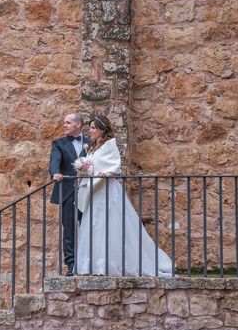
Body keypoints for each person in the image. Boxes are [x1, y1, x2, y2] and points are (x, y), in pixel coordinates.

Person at [76, 115, 173, 276]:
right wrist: (84, 167)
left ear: (101, 129)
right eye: (90, 128)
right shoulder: (92, 148)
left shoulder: (109, 145)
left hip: (107, 191)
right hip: (95, 192)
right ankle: (94, 264)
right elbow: (93, 167)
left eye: (93, 128)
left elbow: (114, 167)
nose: (90, 131)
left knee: (110, 226)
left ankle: (110, 264)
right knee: (96, 226)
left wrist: (103, 172)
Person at [49, 113, 92, 276]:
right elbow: (54, 160)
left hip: (88, 191)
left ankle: (90, 261)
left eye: (68, 123)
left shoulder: (90, 143)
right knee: (69, 230)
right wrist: (55, 173)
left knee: (89, 226)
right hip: (68, 191)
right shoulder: (58, 143)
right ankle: (71, 265)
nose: (64, 125)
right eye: (64, 123)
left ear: (79, 124)